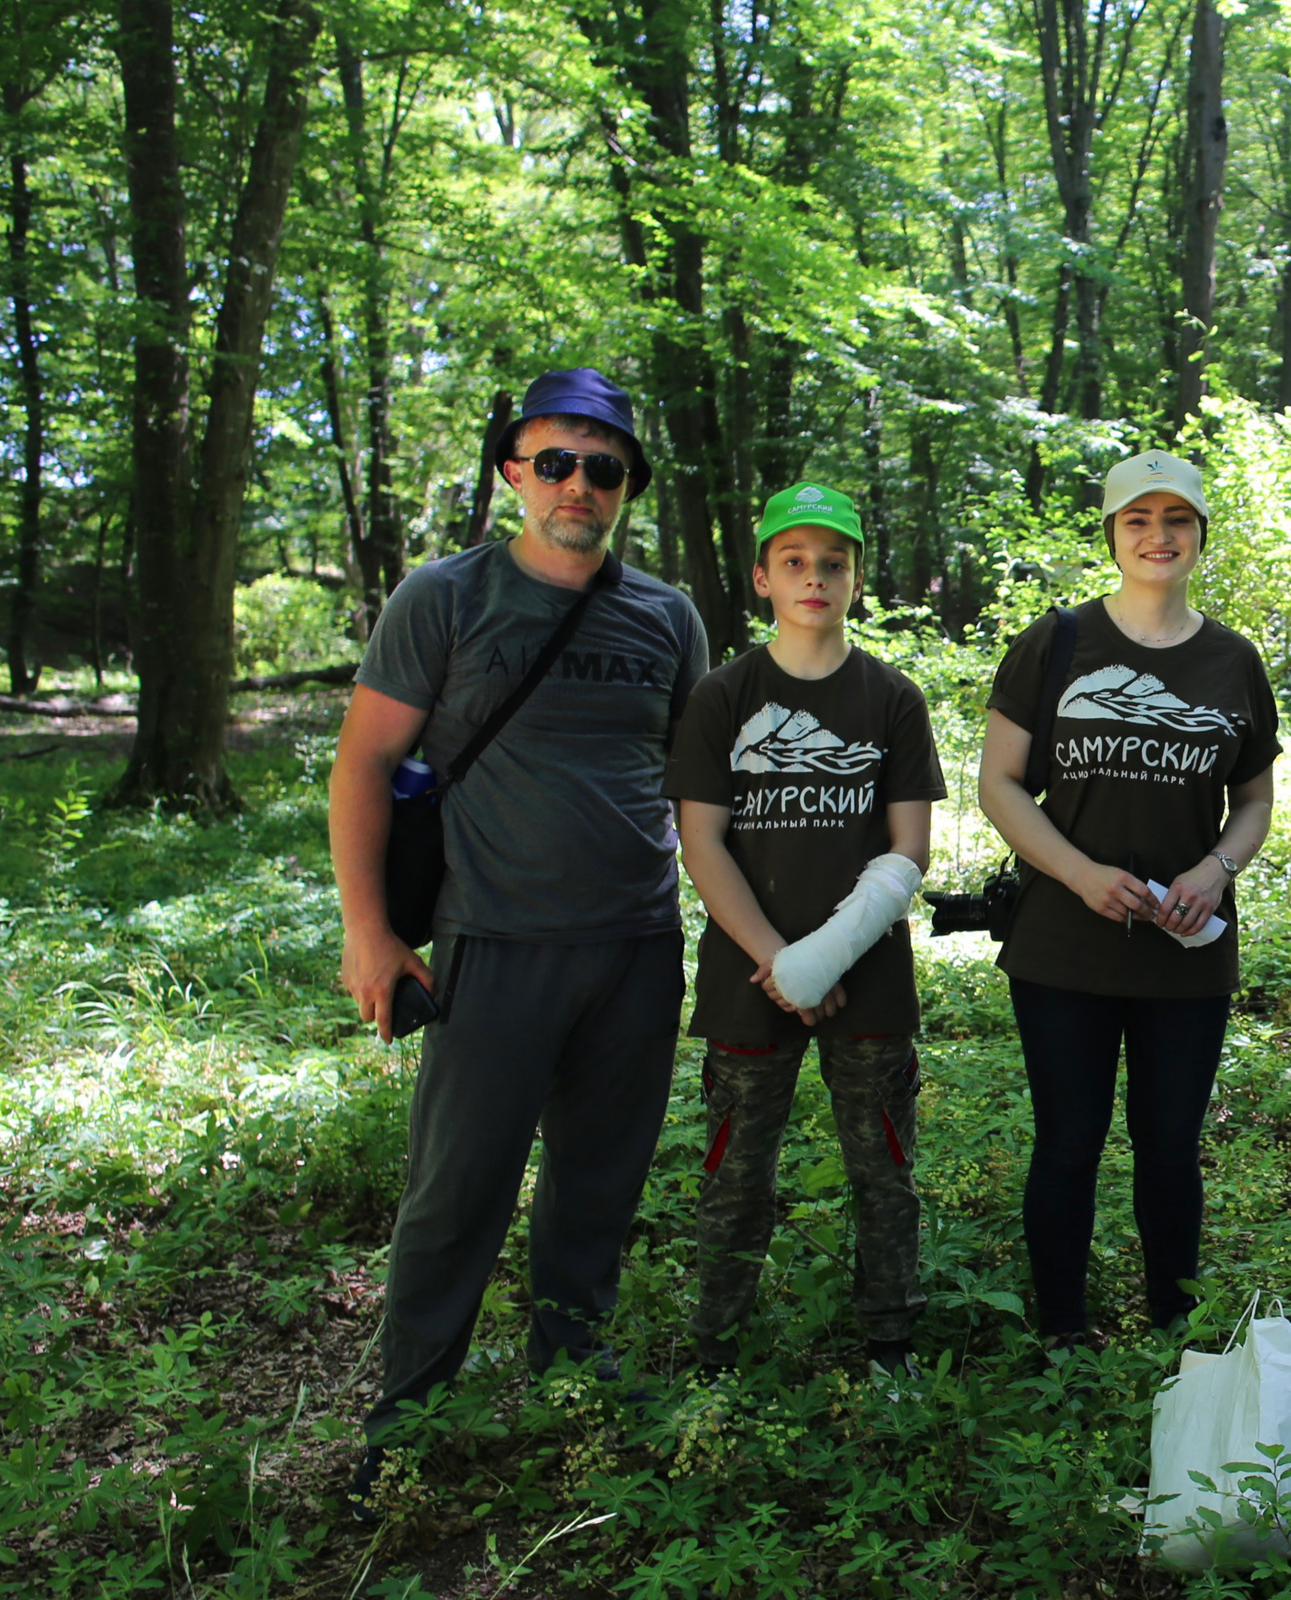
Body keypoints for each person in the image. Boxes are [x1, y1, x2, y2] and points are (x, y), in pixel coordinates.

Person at [328, 368, 708, 1515]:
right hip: (491, 942)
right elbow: (362, 766)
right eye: (555, 462)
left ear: (626, 485)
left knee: (598, 1181)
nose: (578, 485)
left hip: (638, 945)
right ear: (513, 474)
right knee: (457, 1190)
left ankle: (573, 1371)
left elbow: (696, 787)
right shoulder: (442, 599)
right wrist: (371, 932)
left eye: (602, 468)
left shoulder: (669, 613)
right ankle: (406, 1415)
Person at [977, 451, 1281, 1346]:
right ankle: (1063, 1333)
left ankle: (1174, 1326)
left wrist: (1214, 870)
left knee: (1169, 1147)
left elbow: (1256, 798)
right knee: (1068, 1144)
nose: (1159, 536)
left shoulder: (1233, 659)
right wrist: (1077, 873)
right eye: (1138, 520)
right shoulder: (1058, 642)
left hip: (1186, 948)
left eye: (1177, 520)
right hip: (1064, 947)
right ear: (1111, 533)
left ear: (1199, 535)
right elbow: (999, 783)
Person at [662, 482, 946, 1385]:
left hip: (870, 979)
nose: (814, 577)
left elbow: (910, 850)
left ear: (857, 578)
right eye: (795, 562)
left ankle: (890, 1344)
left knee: (883, 1172)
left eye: (833, 562)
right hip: (746, 979)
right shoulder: (722, 696)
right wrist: (783, 961)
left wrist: (831, 955)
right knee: (735, 1175)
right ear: (762, 578)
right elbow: (699, 842)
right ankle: (717, 1352)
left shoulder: (891, 699)